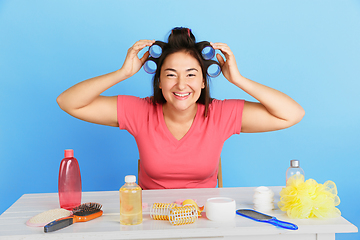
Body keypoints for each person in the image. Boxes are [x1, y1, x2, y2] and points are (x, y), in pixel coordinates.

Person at [57, 27, 305, 189]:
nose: (181, 85)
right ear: (159, 82)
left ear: (204, 81)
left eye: (191, 74)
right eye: (171, 75)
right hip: (150, 223)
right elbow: (67, 102)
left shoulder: (220, 114)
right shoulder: (139, 111)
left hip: (204, 222)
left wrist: (239, 80)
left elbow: (292, 114)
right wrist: (122, 73)